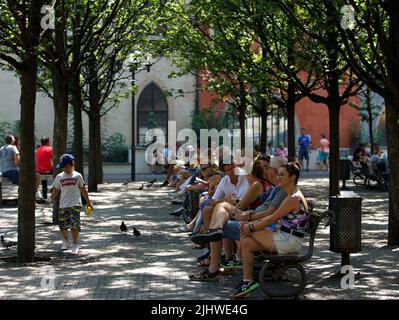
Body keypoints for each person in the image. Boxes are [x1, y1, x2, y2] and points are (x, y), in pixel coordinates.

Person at [233, 162, 309, 298]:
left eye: (281, 175)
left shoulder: (292, 198)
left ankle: (236, 260)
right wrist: (250, 226)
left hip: (289, 242)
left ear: (292, 177)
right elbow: (270, 219)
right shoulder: (292, 194)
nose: (278, 177)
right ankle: (247, 282)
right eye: (278, 174)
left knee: (247, 231)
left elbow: (271, 219)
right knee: (246, 242)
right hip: (286, 237)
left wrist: (250, 226)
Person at [51, 154, 93, 255]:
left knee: (74, 224)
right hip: (63, 204)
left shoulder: (77, 176)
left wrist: (88, 202)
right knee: (63, 225)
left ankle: (75, 243)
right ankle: (65, 240)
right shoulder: (59, 177)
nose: (63, 168)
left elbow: (83, 189)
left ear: (71, 165)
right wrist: (50, 199)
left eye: (64, 166)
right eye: (62, 166)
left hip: (75, 204)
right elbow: (56, 190)